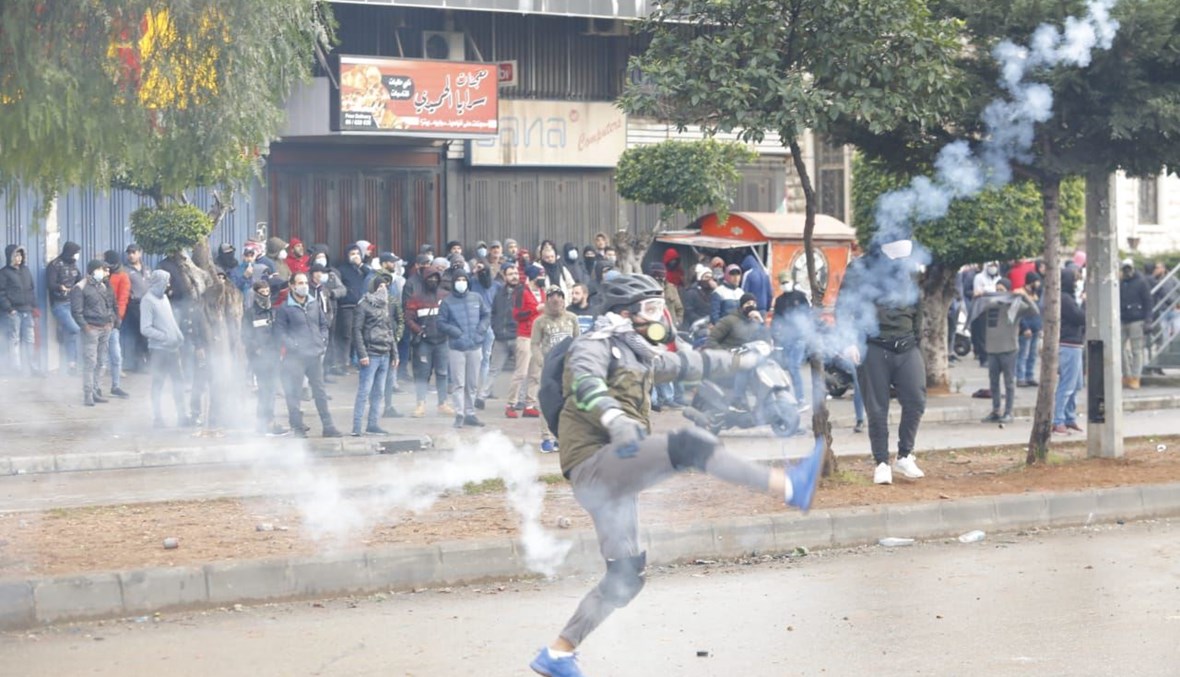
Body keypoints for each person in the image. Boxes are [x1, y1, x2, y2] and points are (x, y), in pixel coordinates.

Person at [528, 274, 824, 677]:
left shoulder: (638, 353)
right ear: (624, 314)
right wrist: (614, 418)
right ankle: (789, 486)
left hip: (616, 473)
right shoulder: (594, 344)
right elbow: (584, 383)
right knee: (690, 445)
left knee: (626, 577)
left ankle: (558, 653)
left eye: (659, 308)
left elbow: (693, 363)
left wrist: (746, 357)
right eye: (650, 310)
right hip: (595, 464)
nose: (658, 318)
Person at [838, 239, 926, 486]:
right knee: (877, 409)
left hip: (907, 345)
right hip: (873, 345)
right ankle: (881, 463)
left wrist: (917, 337)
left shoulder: (908, 268)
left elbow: (917, 306)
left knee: (916, 400)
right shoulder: (860, 269)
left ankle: (905, 455)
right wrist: (849, 341)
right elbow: (843, 307)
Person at [276, 272, 342, 438]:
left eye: (305, 282)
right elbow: (280, 333)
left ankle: (328, 426)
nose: (304, 285)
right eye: (300, 282)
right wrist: (294, 345)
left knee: (319, 391)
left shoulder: (313, 304)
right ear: (292, 285)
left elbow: (323, 324)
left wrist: (323, 339)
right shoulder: (285, 308)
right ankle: (297, 427)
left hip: (314, 355)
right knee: (295, 392)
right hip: (295, 357)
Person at [975, 278, 1039, 424]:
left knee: (1009, 383)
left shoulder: (1015, 306)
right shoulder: (990, 304)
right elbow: (977, 308)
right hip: (992, 349)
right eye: (997, 290)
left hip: (1009, 349)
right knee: (994, 383)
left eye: (1002, 290)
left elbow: (1035, 311)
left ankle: (1009, 412)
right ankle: (996, 410)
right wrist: (980, 296)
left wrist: (1024, 296)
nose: (999, 293)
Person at [438, 269, 490, 429]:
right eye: (458, 279)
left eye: (464, 279)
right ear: (453, 283)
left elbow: (486, 315)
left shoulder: (476, 298)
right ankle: (459, 414)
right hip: (457, 348)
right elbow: (440, 323)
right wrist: (456, 333)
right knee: (458, 383)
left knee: (472, 383)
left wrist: (480, 331)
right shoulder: (447, 301)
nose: (461, 282)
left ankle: (470, 413)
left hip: (475, 346)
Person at [530, 287, 580, 452]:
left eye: (559, 297)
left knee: (568, 402)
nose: (556, 300)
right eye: (552, 297)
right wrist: (541, 363)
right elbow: (535, 344)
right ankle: (546, 438)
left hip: (567, 368)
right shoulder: (540, 321)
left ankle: (562, 437)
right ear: (547, 300)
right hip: (549, 368)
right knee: (547, 403)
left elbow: (578, 340)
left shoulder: (572, 318)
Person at [405, 266, 454, 418]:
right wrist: (419, 331)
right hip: (424, 342)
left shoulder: (445, 296)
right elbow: (408, 318)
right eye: (430, 278)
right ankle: (420, 404)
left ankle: (443, 403)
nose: (433, 280)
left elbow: (452, 316)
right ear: (424, 280)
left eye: (436, 278)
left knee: (442, 373)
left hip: (442, 341)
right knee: (422, 374)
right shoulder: (416, 298)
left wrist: (448, 330)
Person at [139, 271, 187, 427]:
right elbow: (145, 329)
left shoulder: (164, 298)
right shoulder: (148, 301)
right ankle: (157, 418)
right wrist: (165, 336)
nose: (168, 284)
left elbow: (171, 321)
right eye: (166, 281)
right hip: (159, 350)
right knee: (158, 384)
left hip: (173, 349)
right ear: (158, 282)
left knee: (178, 383)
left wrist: (178, 335)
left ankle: (182, 417)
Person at [351, 273, 396, 436]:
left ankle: (373, 424)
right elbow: (356, 330)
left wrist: (394, 354)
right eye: (380, 286)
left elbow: (389, 330)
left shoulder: (386, 305)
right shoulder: (363, 305)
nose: (383, 289)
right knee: (364, 392)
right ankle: (356, 428)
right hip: (371, 355)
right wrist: (362, 354)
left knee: (379, 392)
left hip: (385, 353)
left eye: (385, 286)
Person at [707, 293, 770, 409]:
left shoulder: (754, 322)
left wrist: (761, 322)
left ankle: (764, 401)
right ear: (741, 306)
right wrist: (726, 353)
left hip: (747, 356)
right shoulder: (728, 321)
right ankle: (737, 400)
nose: (751, 306)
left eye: (753, 304)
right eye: (748, 304)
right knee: (744, 368)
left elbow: (765, 340)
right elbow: (711, 341)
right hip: (729, 357)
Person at [242, 280, 286, 436]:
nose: (265, 294)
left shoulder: (273, 311)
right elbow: (246, 336)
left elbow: (278, 332)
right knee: (264, 391)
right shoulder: (250, 313)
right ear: (256, 293)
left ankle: (269, 422)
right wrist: (257, 349)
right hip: (259, 358)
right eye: (262, 291)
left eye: (267, 290)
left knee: (272, 390)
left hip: (273, 355)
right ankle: (262, 424)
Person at [70, 260, 117, 406]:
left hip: (104, 328)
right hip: (91, 329)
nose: (104, 272)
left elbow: (109, 306)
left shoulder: (102, 286)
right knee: (91, 362)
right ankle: (88, 394)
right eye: (101, 269)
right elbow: (76, 311)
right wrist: (86, 327)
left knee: (102, 362)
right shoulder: (80, 287)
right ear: (93, 270)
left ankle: (96, 390)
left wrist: (110, 322)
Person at [481, 263, 521, 412]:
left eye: (516, 273)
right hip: (501, 337)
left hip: (518, 337)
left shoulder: (523, 292)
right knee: (494, 369)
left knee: (521, 371)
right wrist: (495, 328)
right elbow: (494, 313)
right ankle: (481, 397)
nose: (514, 276)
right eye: (511, 274)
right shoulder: (499, 293)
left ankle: (520, 399)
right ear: (504, 276)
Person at [509, 264, 547, 419]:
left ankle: (530, 404)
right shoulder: (521, 292)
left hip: (539, 338)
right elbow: (517, 314)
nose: (542, 279)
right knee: (521, 372)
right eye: (539, 276)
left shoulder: (543, 292)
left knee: (535, 374)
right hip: (525, 336)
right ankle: (511, 403)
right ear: (532, 277)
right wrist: (535, 309)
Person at [1053, 268, 1086, 435]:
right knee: (1067, 384)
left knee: (1076, 384)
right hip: (1068, 344)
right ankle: (1058, 420)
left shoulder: (1070, 298)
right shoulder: (1065, 299)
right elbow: (1079, 317)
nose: (1077, 282)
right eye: (1075, 279)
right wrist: (1086, 304)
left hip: (1076, 343)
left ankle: (1069, 417)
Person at [771, 270, 811, 407]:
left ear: (792, 281)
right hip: (787, 339)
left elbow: (808, 315)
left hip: (799, 337)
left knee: (794, 367)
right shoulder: (780, 300)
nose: (785, 284)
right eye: (782, 283)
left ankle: (801, 399)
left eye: (786, 282)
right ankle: (792, 398)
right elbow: (776, 319)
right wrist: (774, 336)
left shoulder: (800, 297)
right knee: (788, 369)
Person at [46, 241, 82, 373]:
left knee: (70, 334)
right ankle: (73, 363)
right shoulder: (55, 265)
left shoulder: (73, 265)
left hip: (72, 303)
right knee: (75, 329)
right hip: (59, 304)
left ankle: (71, 365)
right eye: (76, 253)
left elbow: (79, 280)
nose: (77, 256)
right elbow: (50, 284)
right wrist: (60, 287)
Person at [0, 244, 36, 373]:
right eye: (16, 255)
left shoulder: (25, 270)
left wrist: (33, 307)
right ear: (10, 256)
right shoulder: (4, 273)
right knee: (14, 340)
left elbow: (31, 289)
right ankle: (16, 369)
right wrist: (10, 309)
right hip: (13, 312)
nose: (18, 257)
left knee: (30, 340)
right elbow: (1, 293)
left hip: (27, 311)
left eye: (20, 254)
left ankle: (32, 367)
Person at [1119, 258, 1153, 389]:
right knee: (1120, 349)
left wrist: (1148, 320)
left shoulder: (1141, 282)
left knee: (1136, 350)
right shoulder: (1122, 282)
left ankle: (1135, 377)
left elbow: (1148, 302)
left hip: (1137, 320)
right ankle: (1127, 375)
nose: (1127, 271)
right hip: (1123, 319)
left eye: (1128, 268)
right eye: (1125, 268)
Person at [335, 244, 368, 375]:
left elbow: (372, 276)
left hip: (363, 306)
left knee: (361, 335)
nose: (355, 256)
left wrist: (361, 265)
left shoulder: (364, 269)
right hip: (347, 307)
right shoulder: (342, 270)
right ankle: (343, 363)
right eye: (352, 253)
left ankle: (360, 361)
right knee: (347, 335)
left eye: (357, 253)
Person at [102, 250, 131, 398]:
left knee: (116, 356)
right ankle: (96, 387)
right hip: (99, 322)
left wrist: (118, 318)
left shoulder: (122, 276)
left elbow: (122, 299)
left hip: (112, 322)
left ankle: (116, 386)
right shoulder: (101, 275)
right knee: (101, 357)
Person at [122, 244, 150, 372]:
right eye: (129, 253)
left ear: (140, 253)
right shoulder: (125, 270)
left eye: (133, 252)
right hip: (135, 304)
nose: (131, 255)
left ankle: (146, 363)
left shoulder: (147, 269)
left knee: (145, 334)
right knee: (142, 333)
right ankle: (142, 363)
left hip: (149, 303)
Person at [971, 262, 1003, 366]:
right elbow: (977, 292)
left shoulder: (999, 279)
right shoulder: (979, 277)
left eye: (994, 266)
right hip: (982, 308)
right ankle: (983, 358)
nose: (993, 268)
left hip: (996, 308)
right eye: (990, 266)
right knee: (982, 334)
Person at [1017, 272, 1044, 387]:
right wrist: (1025, 328)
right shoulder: (1020, 294)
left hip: (1035, 328)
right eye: (1036, 281)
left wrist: (1040, 327)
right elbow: (1019, 313)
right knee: (1023, 354)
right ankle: (1020, 377)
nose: (1038, 284)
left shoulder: (1035, 294)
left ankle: (1029, 376)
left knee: (1032, 355)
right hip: (1026, 330)